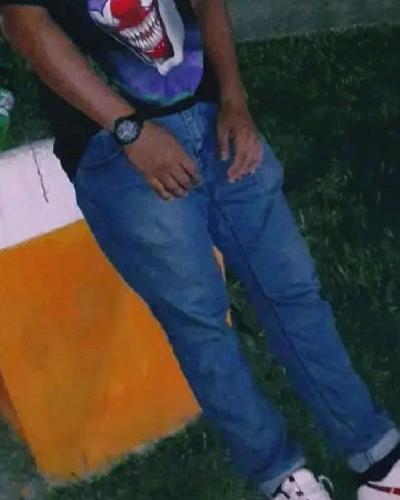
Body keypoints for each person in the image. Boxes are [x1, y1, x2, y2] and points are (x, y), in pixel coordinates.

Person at [1, 1, 399, 498]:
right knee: (202, 325)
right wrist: (130, 131)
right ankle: (282, 478)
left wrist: (234, 99)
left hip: (212, 115)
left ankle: (378, 459)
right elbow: (24, 21)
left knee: (294, 290)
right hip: (114, 144)